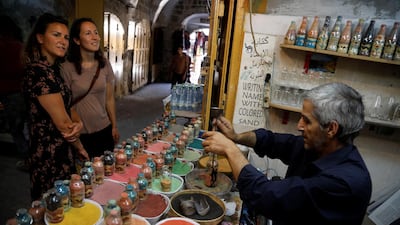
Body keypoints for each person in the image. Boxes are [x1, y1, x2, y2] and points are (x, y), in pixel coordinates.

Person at [202, 82, 372, 225]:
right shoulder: (319, 147)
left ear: (331, 128)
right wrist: (236, 137)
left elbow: (268, 196)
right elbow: (273, 141)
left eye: (307, 120)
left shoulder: (345, 183)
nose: (299, 126)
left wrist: (230, 149)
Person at [22, 13, 89, 201]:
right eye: (56, 35)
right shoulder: (38, 72)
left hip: (61, 149)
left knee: (64, 202)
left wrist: (79, 123)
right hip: (48, 154)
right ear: (40, 38)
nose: (63, 41)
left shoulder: (53, 70)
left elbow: (68, 107)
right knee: (52, 205)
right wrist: (80, 147)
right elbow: (62, 124)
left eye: (66, 37)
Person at [61, 17, 120, 158]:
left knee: (106, 172)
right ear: (76, 40)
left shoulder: (104, 64)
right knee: (85, 176)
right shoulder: (66, 68)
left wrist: (114, 125)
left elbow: (109, 99)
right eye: (88, 33)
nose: (95, 37)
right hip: (81, 133)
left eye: (96, 32)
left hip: (104, 129)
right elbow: (65, 104)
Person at [0, 15, 29, 170]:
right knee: (25, 125)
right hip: (24, 91)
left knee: (16, 128)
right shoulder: (20, 46)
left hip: (9, 92)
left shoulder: (3, 46)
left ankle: (26, 157)